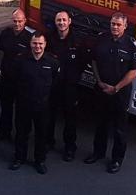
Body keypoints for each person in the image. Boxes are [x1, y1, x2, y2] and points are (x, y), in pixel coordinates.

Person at [85, 12, 136, 174]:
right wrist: (99, 81)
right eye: (112, 24)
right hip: (102, 89)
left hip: (120, 93)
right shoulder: (102, 39)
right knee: (100, 123)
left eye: (118, 25)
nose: (114, 27)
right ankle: (98, 153)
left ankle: (117, 159)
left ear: (125, 26)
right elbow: (94, 60)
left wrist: (116, 87)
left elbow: (134, 71)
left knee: (119, 128)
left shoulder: (132, 44)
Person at [11, 33, 60, 175]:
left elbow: (56, 82)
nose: (37, 46)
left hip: (43, 106)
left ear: (45, 44)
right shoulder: (20, 60)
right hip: (24, 104)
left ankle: (40, 160)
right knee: (21, 133)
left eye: (40, 44)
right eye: (34, 43)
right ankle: (19, 158)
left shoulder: (52, 62)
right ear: (30, 44)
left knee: (41, 135)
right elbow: (14, 80)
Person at [48, 10, 89, 161]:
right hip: (53, 84)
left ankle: (69, 148)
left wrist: (74, 76)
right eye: (59, 20)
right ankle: (48, 142)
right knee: (49, 115)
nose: (61, 23)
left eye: (64, 20)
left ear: (69, 21)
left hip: (70, 86)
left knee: (70, 118)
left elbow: (84, 61)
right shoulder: (49, 38)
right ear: (55, 22)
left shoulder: (78, 40)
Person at [0, 9, 35, 143]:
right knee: (6, 108)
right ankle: (4, 132)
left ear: (25, 21)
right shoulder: (5, 33)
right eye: (15, 21)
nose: (17, 24)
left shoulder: (30, 37)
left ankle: (20, 137)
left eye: (20, 21)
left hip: (22, 81)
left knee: (21, 111)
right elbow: (1, 50)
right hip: (6, 77)